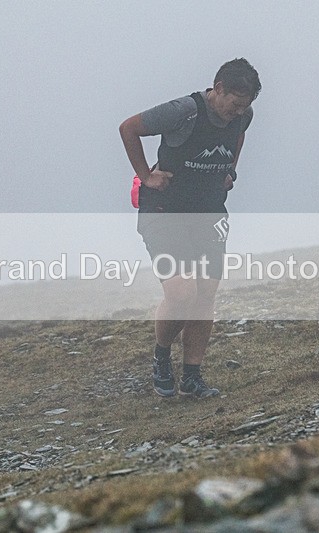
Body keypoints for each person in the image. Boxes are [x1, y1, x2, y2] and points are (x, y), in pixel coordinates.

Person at [119, 58, 261, 398]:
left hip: (209, 213)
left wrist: (231, 171)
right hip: (164, 212)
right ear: (219, 88)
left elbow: (237, 137)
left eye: (246, 106)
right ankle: (162, 355)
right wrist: (145, 175)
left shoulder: (243, 115)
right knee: (182, 293)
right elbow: (129, 128)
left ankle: (193, 377)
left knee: (206, 293)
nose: (238, 112)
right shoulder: (185, 111)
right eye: (235, 103)